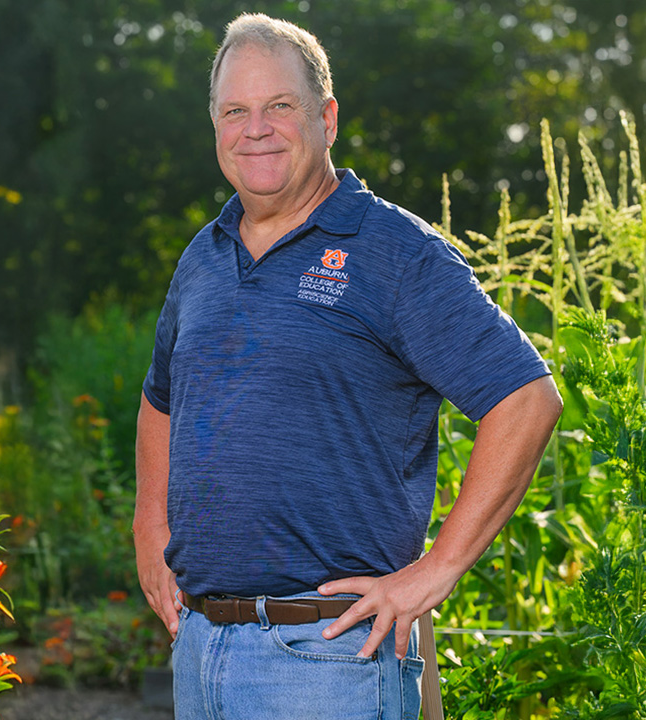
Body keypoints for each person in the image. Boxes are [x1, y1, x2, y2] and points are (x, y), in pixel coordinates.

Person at [134, 13, 563, 719]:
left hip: (328, 659)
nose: (256, 128)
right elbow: (162, 399)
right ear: (215, 127)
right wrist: (149, 527)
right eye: (235, 111)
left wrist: (435, 572)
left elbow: (526, 398)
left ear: (327, 118)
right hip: (202, 647)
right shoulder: (202, 258)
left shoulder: (394, 251)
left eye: (280, 106)